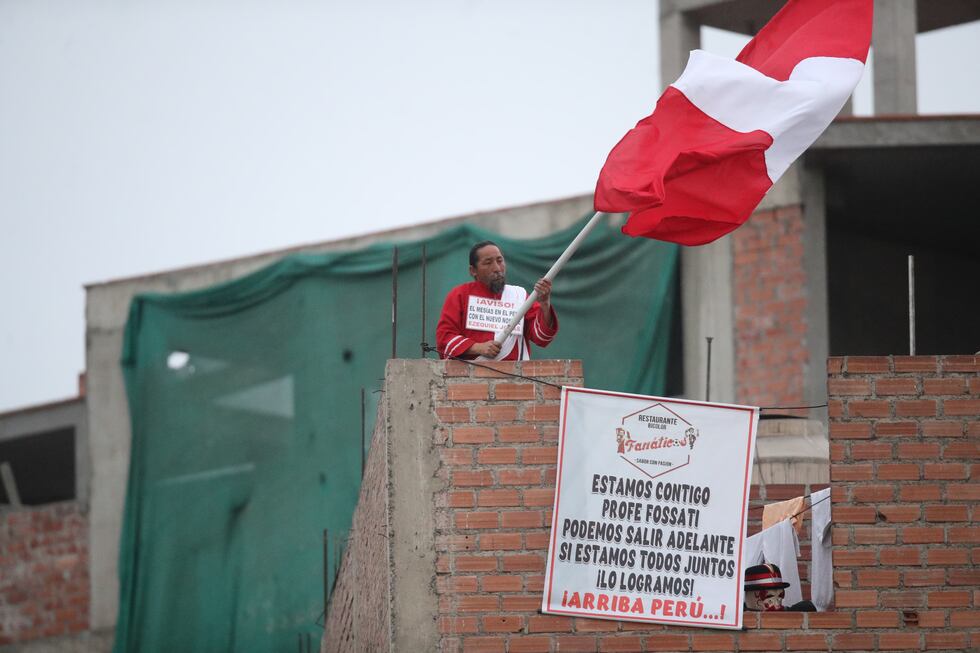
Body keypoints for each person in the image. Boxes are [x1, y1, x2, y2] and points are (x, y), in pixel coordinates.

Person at [436, 241, 558, 361]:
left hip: (518, 377)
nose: (497, 268)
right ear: (473, 270)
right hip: (473, 378)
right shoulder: (459, 295)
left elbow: (542, 337)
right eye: (488, 263)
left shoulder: (519, 295)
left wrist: (544, 303)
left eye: (500, 261)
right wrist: (477, 347)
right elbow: (444, 341)